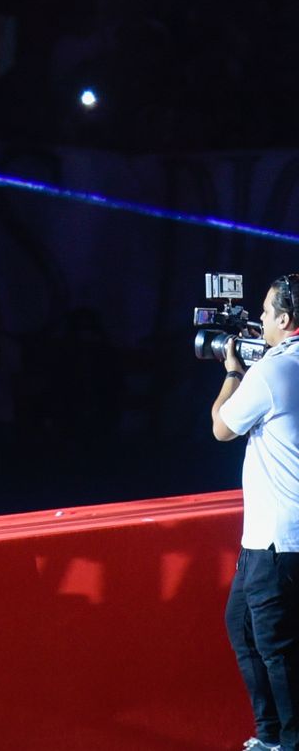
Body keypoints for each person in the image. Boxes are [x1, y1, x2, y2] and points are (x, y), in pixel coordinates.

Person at [213, 274, 299, 751]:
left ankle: (289, 741)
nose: (260, 319)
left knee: (276, 650)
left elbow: (222, 428)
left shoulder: (270, 371)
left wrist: (233, 372)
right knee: (244, 628)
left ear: (284, 319)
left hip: (275, 542)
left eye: (266, 312)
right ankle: (270, 735)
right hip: (271, 540)